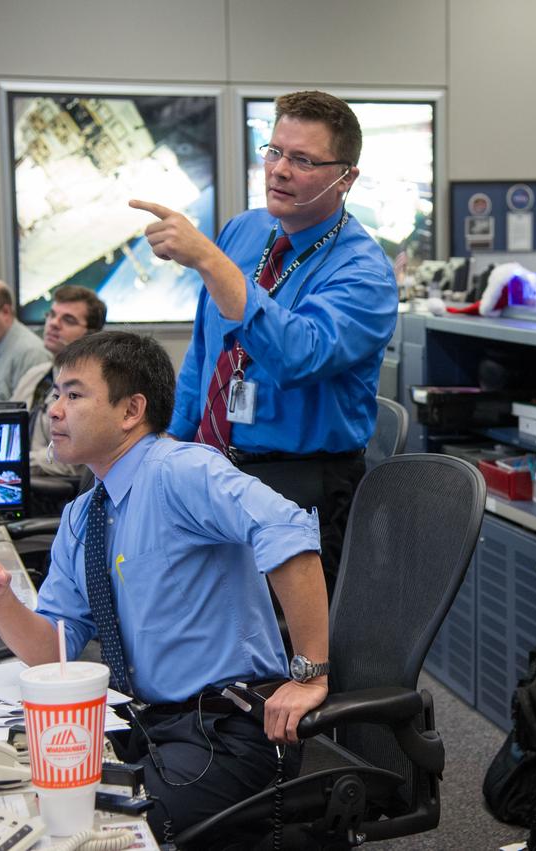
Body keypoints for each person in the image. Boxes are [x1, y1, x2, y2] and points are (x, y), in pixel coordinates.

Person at [0, 331, 329, 840]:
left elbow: (291, 536)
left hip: (224, 731)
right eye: (54, 396)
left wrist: (309, 674)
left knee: (94, 835)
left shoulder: (183, 470)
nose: (54, 412)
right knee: (31, 804)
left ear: (131, 410)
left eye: (74, 394)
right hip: (145, 725)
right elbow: (54, 653)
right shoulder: (83, 515)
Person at [129, 90, 398, 592]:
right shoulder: (244, 231)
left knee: (288, 651)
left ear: (346, 178)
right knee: (212, 633)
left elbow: (298, 355)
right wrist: (171, 440)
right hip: (213, 467)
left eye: (302, 159)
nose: (279, 170)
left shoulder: (365, 274)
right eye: (274, 152)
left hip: (298, 485)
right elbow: (207, 352)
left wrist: (210, 262)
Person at [10, 285, 107, 478]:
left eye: (68, 320)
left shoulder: (90, 387)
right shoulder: (34, 376)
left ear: (91, 334)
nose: (54, 323)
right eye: (51, 315)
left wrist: (19, 461)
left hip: (51, 493)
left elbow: (74, 459)